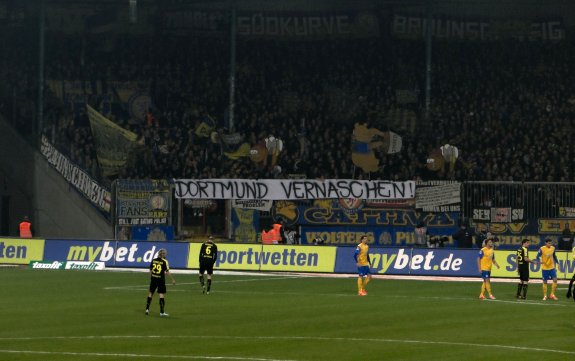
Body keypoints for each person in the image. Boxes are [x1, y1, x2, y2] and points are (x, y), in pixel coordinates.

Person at [145, 248, 176, 316]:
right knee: (161, 295)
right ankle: (161, 312)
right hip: (160, 280)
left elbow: (150, 270)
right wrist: (172, 279)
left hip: (153, 279)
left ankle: (147, 309)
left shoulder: (153, 260)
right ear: (163, 254)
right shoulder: (164, 261)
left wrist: (151, 277)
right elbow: (167, 271)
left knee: (150, 293)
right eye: (165, 253)